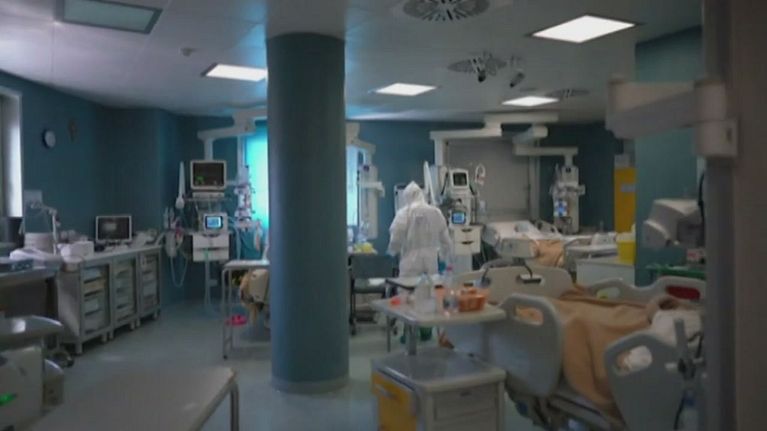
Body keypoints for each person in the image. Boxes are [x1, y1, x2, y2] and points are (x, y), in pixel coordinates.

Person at [388, 182, 452, 277]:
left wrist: (392, 251)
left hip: (410, 261)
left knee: (408, 285)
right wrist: (442, 256)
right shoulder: (436, 212)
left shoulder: (404, 213)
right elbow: (446, 240)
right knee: (430, 285)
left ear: (407, 197)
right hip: (431, 260)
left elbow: (396, 238)